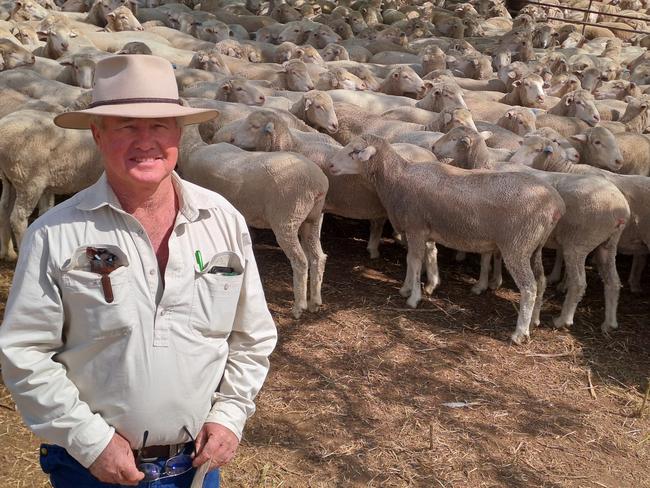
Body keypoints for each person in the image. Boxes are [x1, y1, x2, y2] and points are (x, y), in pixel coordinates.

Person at [0, 54, 277, 487]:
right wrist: (91, 442)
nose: (145, 140)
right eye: (127, 125)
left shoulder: (222, 220)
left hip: (197, 467)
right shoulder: (55, 233)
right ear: (96, 134)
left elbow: (252, 335)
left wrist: (230, 414)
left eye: (160, 126)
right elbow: (25, 352)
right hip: (92, 469)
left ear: (179, 134)